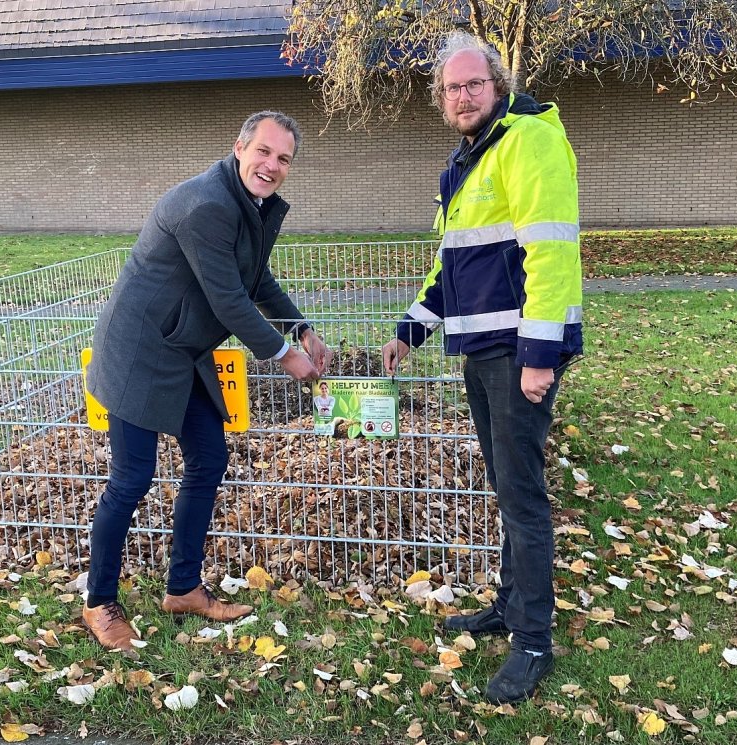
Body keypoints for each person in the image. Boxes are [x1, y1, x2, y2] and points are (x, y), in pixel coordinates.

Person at [84, 111, 333, 651]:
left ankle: (183, 589)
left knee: (208, 458)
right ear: (240, 147)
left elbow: (255, 277)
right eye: (264, 151)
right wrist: (285, 355)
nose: (271, 166)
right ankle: (99, 602)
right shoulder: (207, 206)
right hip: (137, 352)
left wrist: (302, 327)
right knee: (130, 480)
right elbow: (229, 301)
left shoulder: (250, 205)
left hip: (183, 351)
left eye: (283, 159)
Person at [382, 32, 582, 703]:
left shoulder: (526, 140)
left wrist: (539, 356)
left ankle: (532, 640)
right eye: (451, 88)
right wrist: (410, 330)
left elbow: (550, 252)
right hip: (482, 348)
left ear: (496, 85)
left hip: (516, 354)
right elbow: (455, 263)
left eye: (473, 83)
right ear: (441, 101)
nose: (462, 95)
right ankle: (507, 605)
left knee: (521, 495)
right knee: (504, 484)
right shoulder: (470, 159)